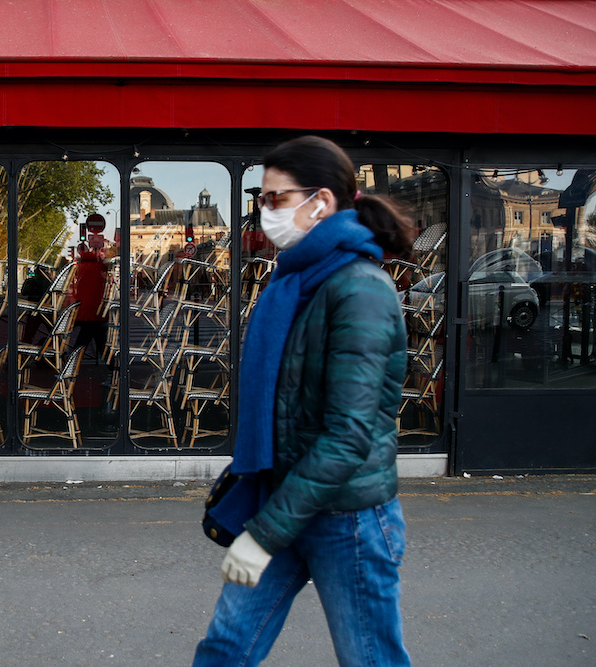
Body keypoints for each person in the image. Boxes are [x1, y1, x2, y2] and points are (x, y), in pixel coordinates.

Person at [194, 136, 415, 667]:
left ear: (320, 202)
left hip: (349, 518)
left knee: (370, 659)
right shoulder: (295, 281)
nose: (265, 212)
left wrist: (264, 535)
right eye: (261, 200)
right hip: (287, 498)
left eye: (276, 199)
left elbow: (348, 436)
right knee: (225, 648)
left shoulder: (359, 289)